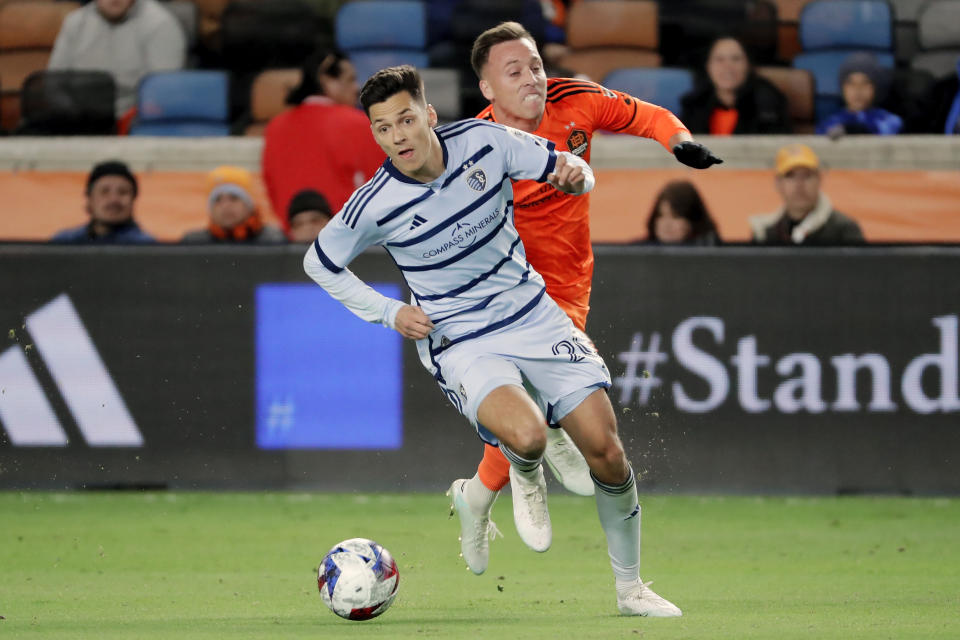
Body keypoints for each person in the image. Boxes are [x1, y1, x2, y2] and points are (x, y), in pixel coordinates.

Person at [303, 65, 682, 617]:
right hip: (459, 338)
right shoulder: (375, 202)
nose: (398, 137)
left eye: (406, 120)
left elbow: (563, 164)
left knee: (606, 451)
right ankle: (526, 470)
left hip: (532, 314)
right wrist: (387, 312)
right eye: (383, 128)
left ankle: (630, 591)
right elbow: (319, 262)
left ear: (429, 115)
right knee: (527, 435)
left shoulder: (485, 141)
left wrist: (578, 176)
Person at [456, 21, 721, 584]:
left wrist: (680, 142)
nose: (531, 78)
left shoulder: (575, 99)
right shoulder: (473, 149)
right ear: (487, 89)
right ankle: (532, 475)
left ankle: (476, 498)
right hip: (510, 291)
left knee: (540, 410)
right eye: (514, 71)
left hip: (572, 282)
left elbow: (647, 116)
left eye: (534, 65)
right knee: (528, 403)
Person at [262, 48, 385, 231]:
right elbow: (385, 190)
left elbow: (272, 191)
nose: (357, 87)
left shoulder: (274, 127)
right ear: (327, 81)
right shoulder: (359, 123)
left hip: (294, 239)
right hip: (352, 243)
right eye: (350, 79)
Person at [48, 0, 186, 120]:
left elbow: (161, 94)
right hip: (76, 117)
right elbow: (53, 82)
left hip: (132, 121)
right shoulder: (75, 22)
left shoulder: (160, 23)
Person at [749, 144, 865, 245]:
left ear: (819, 180)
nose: (799, 184)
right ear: (778, 183)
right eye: (790, 175)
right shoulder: (765, 232)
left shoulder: (844, 229)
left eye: (807, 175)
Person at [680, 36, 792, 135]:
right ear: (708, 66)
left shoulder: (768, 101)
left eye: (736, 59)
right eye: (719, 59)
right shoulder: (694, 103)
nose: (728, 66)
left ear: (748, 65)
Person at [51, 160, 155, 244]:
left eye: (123, 192)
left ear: (133, 200)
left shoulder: (146, 247)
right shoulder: (64, 243)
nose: (114, 199)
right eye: (104, 191)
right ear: (89, 199)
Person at [181, 166, 287, 245]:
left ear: (249, 205)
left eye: (234, 198)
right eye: (218, 200)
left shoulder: (273, 241)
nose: (226, 206)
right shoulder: (194, 245)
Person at [817, 53, 903, 137]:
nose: (858, 90)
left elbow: (885, 131)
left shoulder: (889, 120)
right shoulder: (830, 123)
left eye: (865, 83)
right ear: (842, 88)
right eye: (851, 83)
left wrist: (850, 130)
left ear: (876, 88)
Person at [644, 180, 721, 245]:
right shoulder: (639, 251)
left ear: (693, 221)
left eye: (675, 217)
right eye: (660, 216)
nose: (667, 225)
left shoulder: (710, 251)